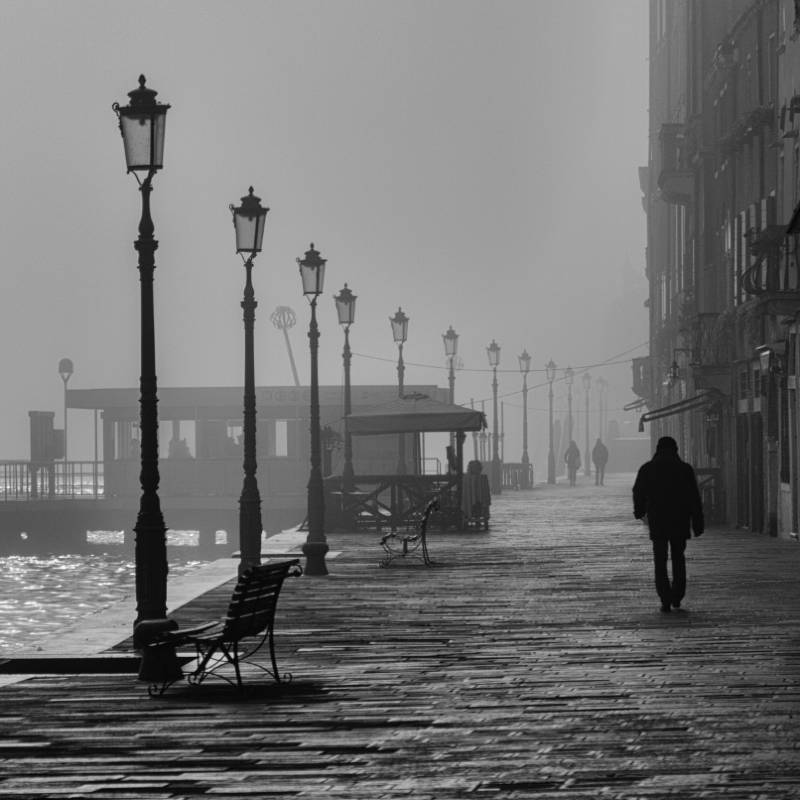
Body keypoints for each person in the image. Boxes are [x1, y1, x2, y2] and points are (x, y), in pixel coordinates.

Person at [632, 436, 704, 613]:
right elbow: (694, 497)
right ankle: (677, 595)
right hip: (680, 519)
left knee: (660, 559)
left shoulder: (647, 469)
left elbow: (638, 491)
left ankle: (665, 597)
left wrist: (640, 511)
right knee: (679, 557)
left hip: (658, 520)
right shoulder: (684, 469)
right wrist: (697, 521)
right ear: (675, 449)